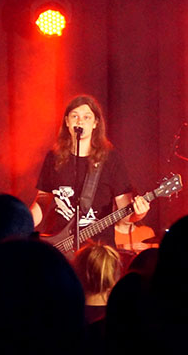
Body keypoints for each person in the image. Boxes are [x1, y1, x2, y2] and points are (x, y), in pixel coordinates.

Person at [30, 95, 149, 248]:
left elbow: (124, 212)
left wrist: (138, 214)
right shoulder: (54, 157)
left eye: (87, 117)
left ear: (95, 123)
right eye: (75, 116)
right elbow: (42, 200)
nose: (80, 121)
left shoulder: (110, 159)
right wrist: (22, 223)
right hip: (59, 244)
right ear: (67, 122)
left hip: (98, 248)